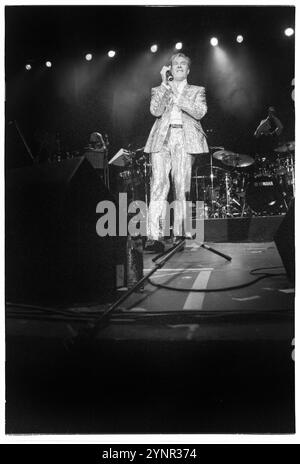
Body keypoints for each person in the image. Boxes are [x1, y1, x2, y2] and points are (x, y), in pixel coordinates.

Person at [144, 52, 209, 252]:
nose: (179, 66)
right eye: (175, 63)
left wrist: (177, 94)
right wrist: (165, 85)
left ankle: (180, 234)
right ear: (170, 69)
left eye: (183, 64)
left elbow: (199, 112)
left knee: (182, 186)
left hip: (184, 138)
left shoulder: (197, 90)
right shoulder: (159, 89)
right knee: (158, 185)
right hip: (162, 140)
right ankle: (154, 237)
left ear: (188, 70)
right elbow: (155, 111)